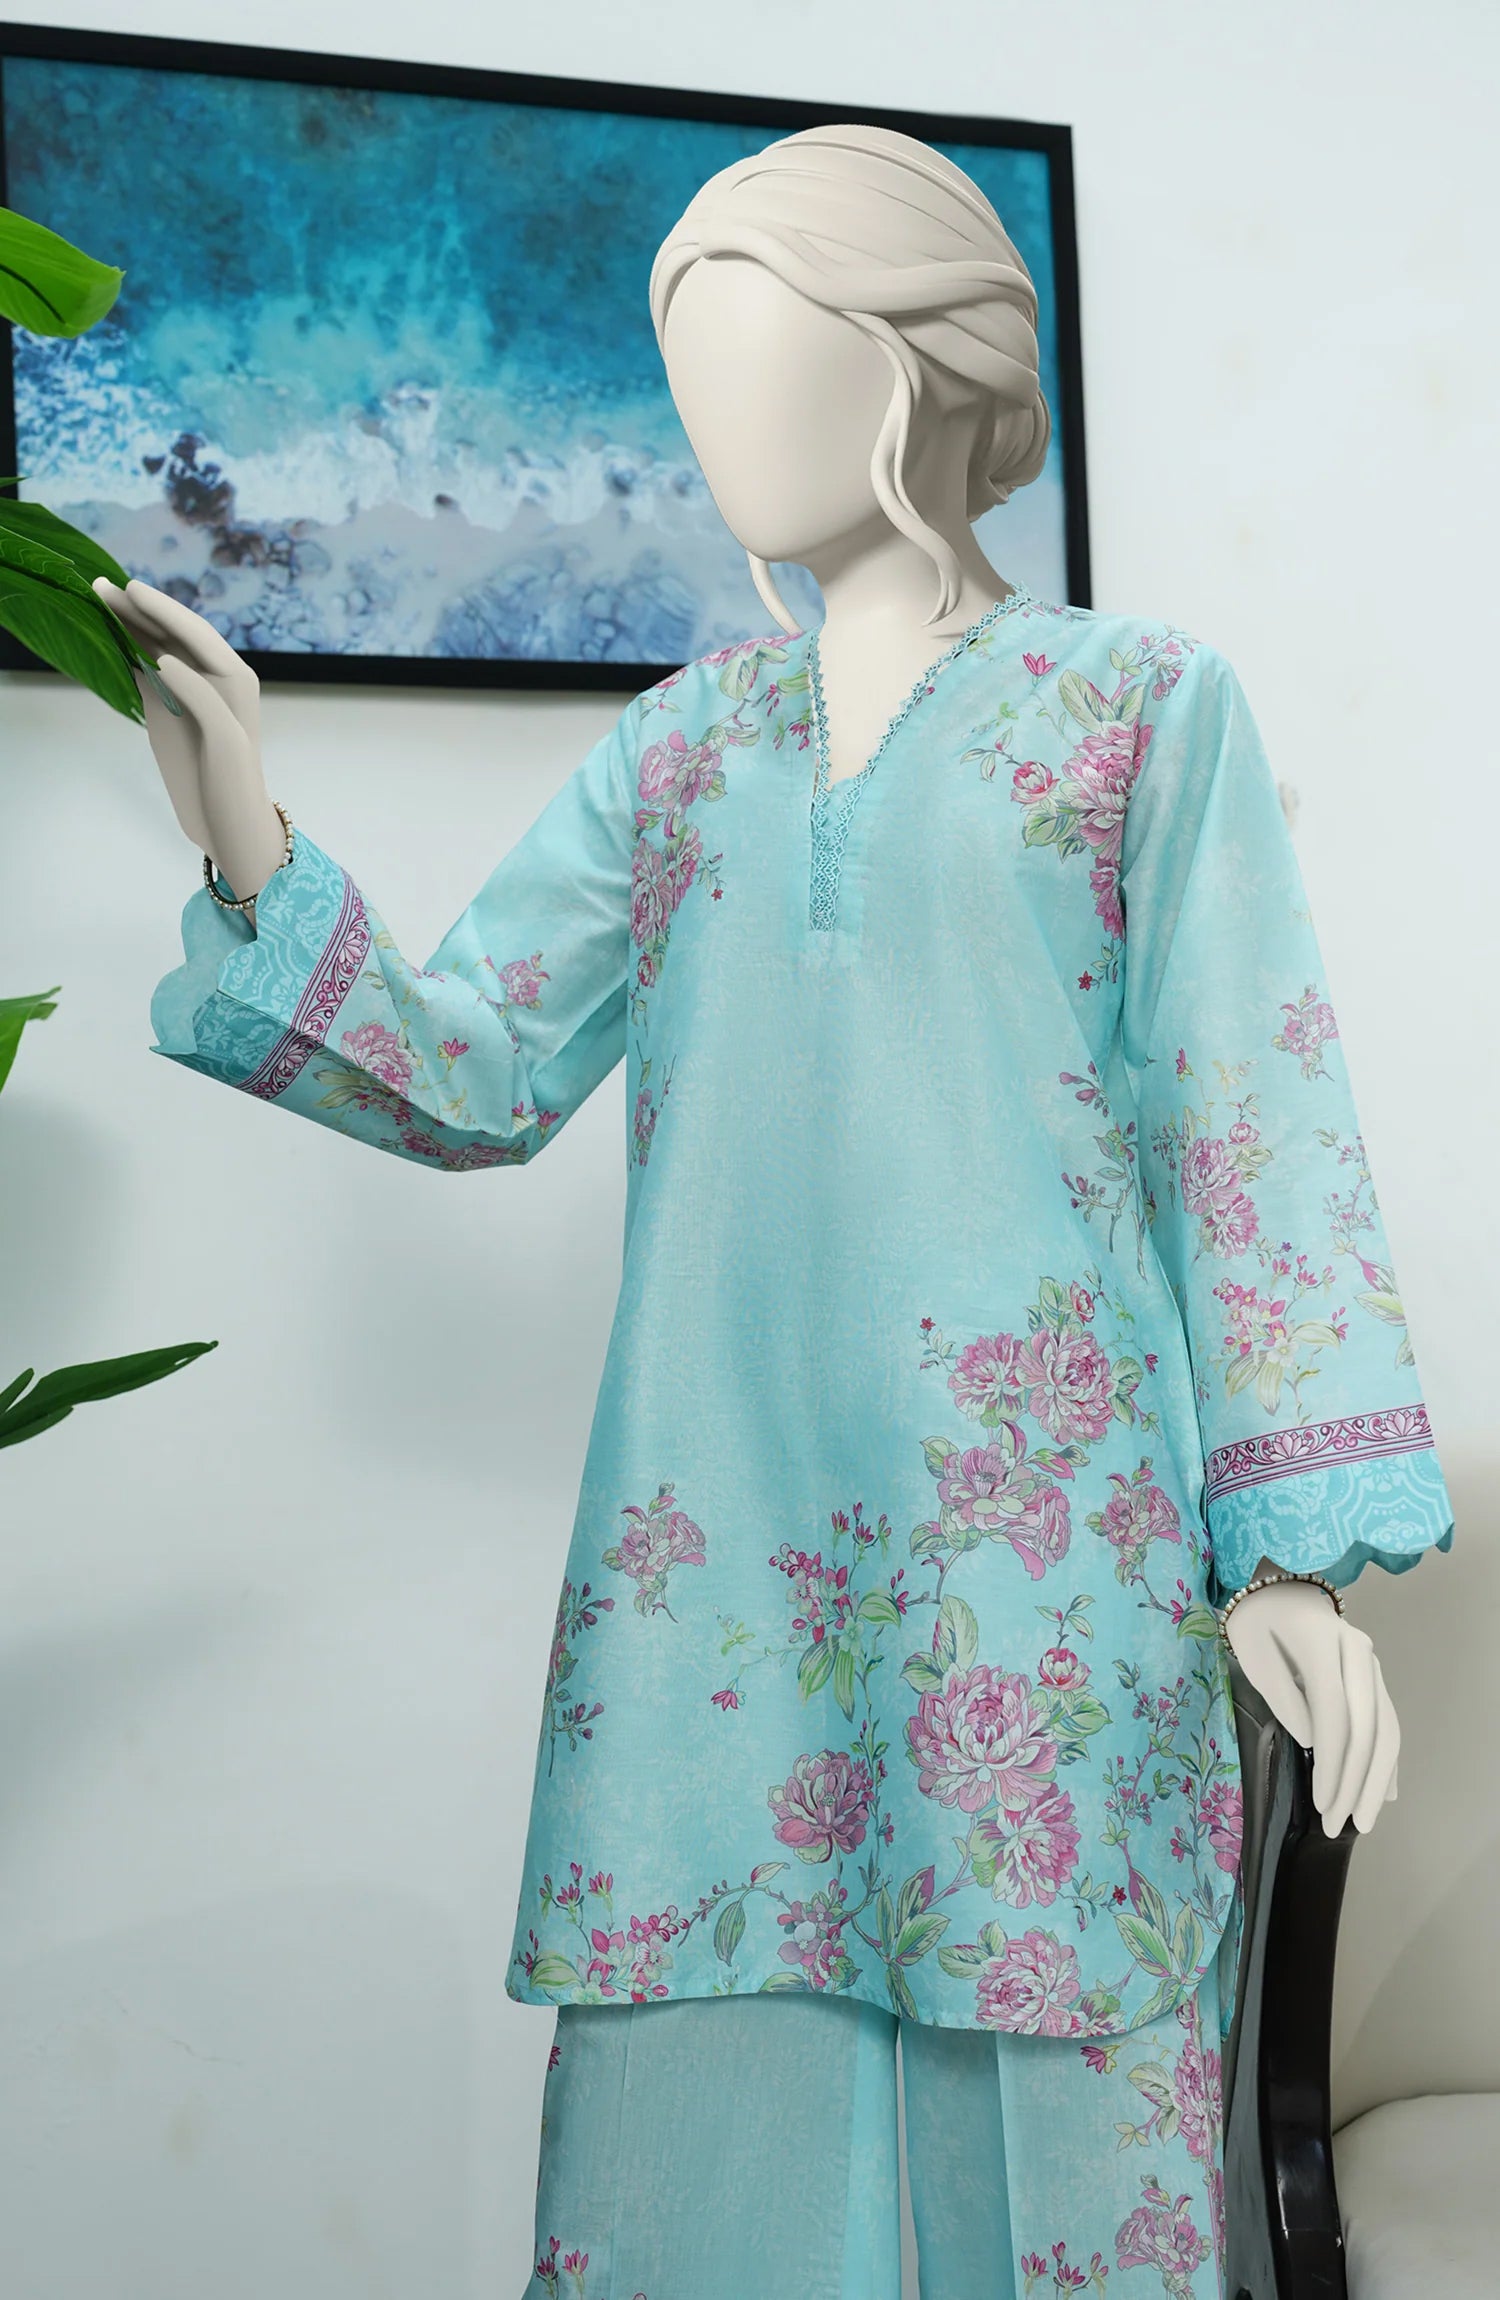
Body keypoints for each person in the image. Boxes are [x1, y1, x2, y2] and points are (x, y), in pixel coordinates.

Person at [102, 121, 1452, 2300]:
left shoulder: (1136, 711)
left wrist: (1286, 1560)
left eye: (756, 360)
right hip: (714, 1597)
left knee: (1062, 2168)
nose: (717, 425)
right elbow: (474, 1066)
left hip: (1044, 1591)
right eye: (691, 378)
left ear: (908, 363)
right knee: (691, 2183)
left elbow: (1251, 1116)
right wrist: (247, 832)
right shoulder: (676, 756)